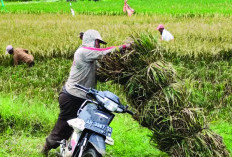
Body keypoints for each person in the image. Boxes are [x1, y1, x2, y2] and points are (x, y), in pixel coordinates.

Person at [41, 29, 131, 156]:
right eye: (98, 42)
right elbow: (103, 52)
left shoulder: (91, 58)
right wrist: (123, 47)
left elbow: (100, 74)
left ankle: (74, 150)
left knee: (83, 125)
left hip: (85, 97)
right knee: (64, 126)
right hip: (71, 96)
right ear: (92, 41)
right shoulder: (83, 52)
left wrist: (118, 74)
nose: (99, 45)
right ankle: (46, 147)